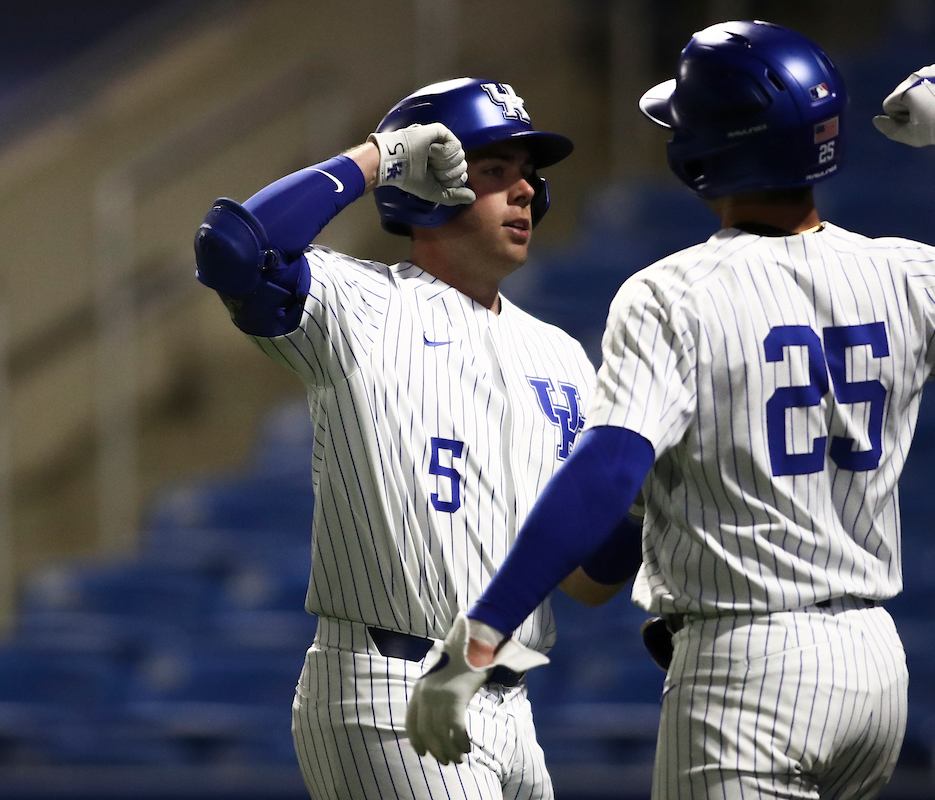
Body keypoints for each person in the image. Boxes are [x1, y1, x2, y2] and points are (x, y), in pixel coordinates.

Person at [406, 21, 935, 800]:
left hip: (748, 670)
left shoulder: (670, 294)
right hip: (874, 666)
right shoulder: (905, 275)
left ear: (710, 147)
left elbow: (605, 473)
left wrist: (483, 635)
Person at [193, 78, 641, 800]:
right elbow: (234, 248)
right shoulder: (361, 304)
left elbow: (588, 580)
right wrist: (380, 158)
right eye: (495, 170)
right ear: (432, 184)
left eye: (530, 175)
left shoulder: (560, 355)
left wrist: (643, 507)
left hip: (510, 704)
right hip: (387, 689)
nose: (526, 190)